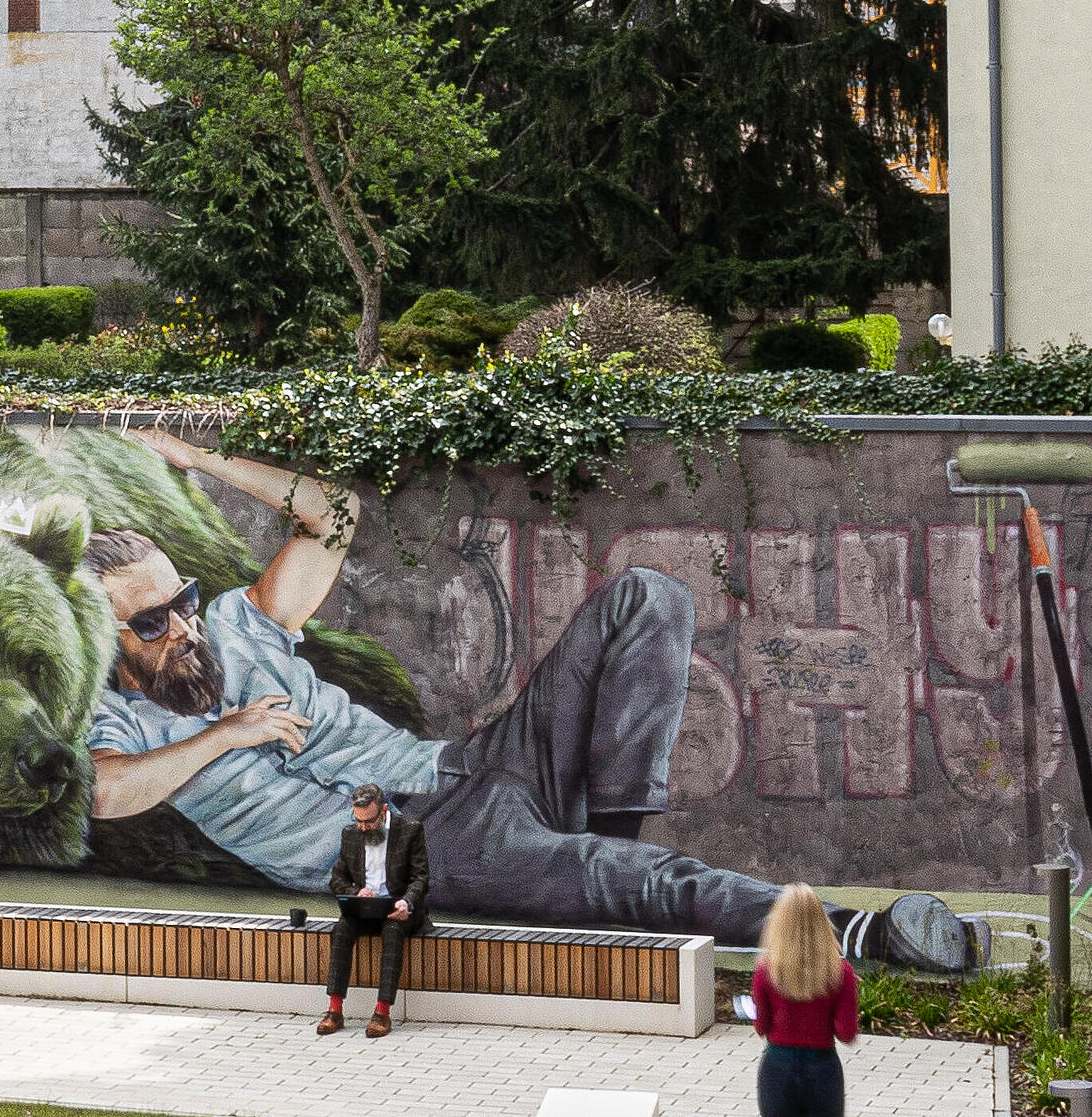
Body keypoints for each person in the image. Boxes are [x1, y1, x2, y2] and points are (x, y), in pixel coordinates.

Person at [84, 429, 975, 972]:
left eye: (185, 599)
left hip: (464, 770)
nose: (186, 627)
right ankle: (856, 934)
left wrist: (198, 459)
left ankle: (598, 856)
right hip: (396, 849)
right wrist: (229, 734)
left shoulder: (243, 624)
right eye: (156, 621)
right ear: (108, 636)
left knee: (648, 599)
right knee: (630, 883)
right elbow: (107, 793)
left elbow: (336, 518)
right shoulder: (117, 717)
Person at [318, 784, 428, 1038]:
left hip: (397, 909)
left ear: (384, 811)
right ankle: (334, 1010)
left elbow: (421, 877)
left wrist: (406, 902)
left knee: (392, 933)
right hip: (364, 908)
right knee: (341, 929)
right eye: (359, 821)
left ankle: (382, 1012)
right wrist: (356, 893)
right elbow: (336, 879)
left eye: (369, 821)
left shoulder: (409, 830)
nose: (364, 827)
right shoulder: (350, 833)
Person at [750, 884, 859, 1117]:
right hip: (822, 1067)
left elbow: (762, 1027)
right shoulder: (841, 972)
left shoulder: (766, 970)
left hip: (778, 1064)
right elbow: (846, 1033)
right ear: (822, 923)